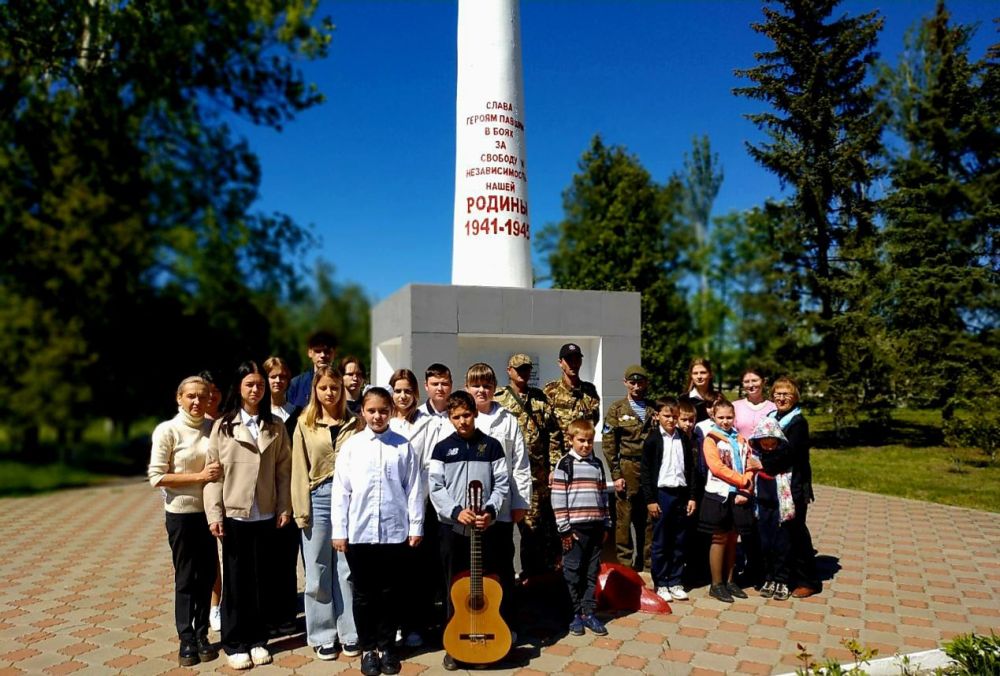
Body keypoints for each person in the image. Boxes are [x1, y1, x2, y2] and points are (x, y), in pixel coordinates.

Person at [204, 361, 293, 670]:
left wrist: (284, 506)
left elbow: (284, 471)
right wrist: (214, 513)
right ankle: (234, 641)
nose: (256, 390)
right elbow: (213, 474)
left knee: (262, 580)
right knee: (237, 581)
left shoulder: (276, 426)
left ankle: (257, 639)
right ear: (239, 388)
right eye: (249, 385)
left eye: (259, 385)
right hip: (235, 514)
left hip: (266, 513)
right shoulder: (224, 425)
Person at [332, 388, 424, 676]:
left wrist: (416, 526)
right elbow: (341, 492)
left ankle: (386, 647)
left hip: (393, 532)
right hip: (360, 532)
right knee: (363, 593)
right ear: (362, 411)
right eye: (371, 410)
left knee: (389, 592)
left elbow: (414, 490)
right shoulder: (352, 446)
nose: (377, 416)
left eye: (383, 410)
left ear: (391, 412)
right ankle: (368, 647)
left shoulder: (403, 446)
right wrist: (340, 530)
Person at [428, 391, 509, 672]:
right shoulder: (441, 449)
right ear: (449, 418)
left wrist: (490, 510)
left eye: (466, 415)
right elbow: (435, 487)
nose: (462, 421)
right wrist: (454, 512)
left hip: (484, 529)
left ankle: (489, 637)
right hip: (452, 530)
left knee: (487, 587)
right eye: (456, 417)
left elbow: (502, 484)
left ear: (474, 413)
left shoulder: (492, 446)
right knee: (454, 588)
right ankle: (453, 645)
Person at [148, 376, 221, 666]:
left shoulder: (213, 428)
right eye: (190, 396)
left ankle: (202, 633)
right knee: (186, 577)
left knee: (206, 575)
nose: (196, 402)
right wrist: (199, 477)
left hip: (208, 514)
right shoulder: (168, 430)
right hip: (180, 514)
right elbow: (156, 477)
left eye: (202, 397)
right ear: (179, 398)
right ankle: (186, 638)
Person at [290, 365, 361, 661]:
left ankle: (350, 632)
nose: (329, 393)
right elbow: (298, 469)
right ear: (315, 391)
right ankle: (322, 633)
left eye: (334, 387)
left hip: (349, 500)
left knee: (345, 569)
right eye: (323, 388)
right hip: (317, 497)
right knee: (318, 569)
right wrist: (300, 511)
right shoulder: (304, 424)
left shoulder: (355, 422)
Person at [465, 362, 531, 633]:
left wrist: (520, 502)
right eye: (476, 385)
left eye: (487, 385)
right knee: (471, 573)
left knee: (502, 568)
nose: (481, 390)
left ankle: (504, 623)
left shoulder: (508, 420)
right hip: (468, 513)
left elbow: (520, 465)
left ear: (495, 388)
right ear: (467, 387)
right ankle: (469, 624)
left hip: (501, 510)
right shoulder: (461, 418)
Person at [494, 353, 560, 578]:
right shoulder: (498, 399)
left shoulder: (540, 399)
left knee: (533, 531)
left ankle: (531, 576)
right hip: (505, 474)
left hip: (535, 477)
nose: (523, 373)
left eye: (526, 369)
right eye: (519, 369)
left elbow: (554, 435)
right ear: (509, 370)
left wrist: (553, 467)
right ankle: (503, 577)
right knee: (501, 531)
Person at [404, 363, 455, 646]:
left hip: (448, 504)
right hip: (421, 503)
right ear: (426, 386)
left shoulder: (457, 415)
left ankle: (449, 624)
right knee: (419, 569)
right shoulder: (416, 417)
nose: (440, 388)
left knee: (446, 566)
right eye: (435, 383)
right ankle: (416, 626)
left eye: (445, 383)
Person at [551, 419, 611, 637]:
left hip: (595, 526)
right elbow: (558, 499)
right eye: (581, 440)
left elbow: (603, 495)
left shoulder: (597, 465)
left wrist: (606, 523)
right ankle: (573, 613)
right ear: (571, 440)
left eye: (589, 441)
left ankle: (588, 612)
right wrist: (564, 529)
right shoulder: (565, 464)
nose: (586, 445)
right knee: (573, 572)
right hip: (574, 530)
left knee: (591, 572)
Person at [698, 398, 758, 604]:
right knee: (719, 538)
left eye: (729, 417)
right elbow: (716, 467)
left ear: (735, 417)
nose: (725, 421)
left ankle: (731, 580)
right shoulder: (711, 439)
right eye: (721, 417)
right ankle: (716, 584)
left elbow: (751, 461)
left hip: (739, 495)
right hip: (718, 495)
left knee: (733, 537)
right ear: (713, 417)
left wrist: (748, 479)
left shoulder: (741, 439)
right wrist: (742, 480)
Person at [640, 398, 699, 602]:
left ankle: (675, 580)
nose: (671, 420)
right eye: (666, 416)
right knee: (661, 540)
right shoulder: (653, 440)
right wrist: (650, 499)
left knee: (679, 539)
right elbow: (646, 472)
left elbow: (691, 469)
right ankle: (661, 582)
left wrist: (692, 496)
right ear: (657, 416)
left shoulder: (683, 438)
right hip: (662, 494)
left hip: (680, 493)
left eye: (674, 416)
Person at [769, 376, 821, 599]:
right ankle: (782, 576)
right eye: (777, 394)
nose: (781, 398)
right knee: (780, 533)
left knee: (796, 531)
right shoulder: (771, 417)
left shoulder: (798, 422)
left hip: (794, 484)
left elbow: (790, 453)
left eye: (786, 394)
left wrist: (762, 463)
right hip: (773, 482)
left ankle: (807, 580)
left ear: (795, 397)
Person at [602, 364, 656, 571]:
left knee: (650, 518)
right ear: (625, 383)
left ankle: (647, 563)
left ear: (646, 383)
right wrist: (616, 474)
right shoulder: (617, 409)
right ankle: (625, 565)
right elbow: (609, 444)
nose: (636, 386)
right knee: (625, 519)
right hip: (627, 466)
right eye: (632, 382)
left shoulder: (654, 409)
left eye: (640, 382)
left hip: (649, 469)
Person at [263, 355, 300, 636]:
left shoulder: (298, 413)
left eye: (283, 376)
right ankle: (267, 615)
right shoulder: (259, 416)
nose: (278, 381)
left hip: (293, 496)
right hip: (263, 497)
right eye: (273, 376)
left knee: (288, 559)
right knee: (267, 560)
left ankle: (287, 614)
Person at [747, 417, 795, 601]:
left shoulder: (783, 457)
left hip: (780, 509)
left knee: (781, 544)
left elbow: (782, 461)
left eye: (771, 443)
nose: (768, 447)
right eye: (764, 443)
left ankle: (782, 580)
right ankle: (769, 577)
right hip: (762, 507)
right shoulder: (755, 458)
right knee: (765, 544)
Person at [544, 343, 601, 469]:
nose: (574, 364)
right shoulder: (551, 391)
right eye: (569, 360)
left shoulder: (589, 390)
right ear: (560, 363)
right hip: (560, 457)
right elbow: (549, 431)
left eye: (577, 359)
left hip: (585, 457)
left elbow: (592, 422)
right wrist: (554, 465)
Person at [197, 369, 224, 631]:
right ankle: (212, 606)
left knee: (227, 556)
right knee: (206, 559)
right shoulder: (191, 425)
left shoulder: (227, 422)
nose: (211, 396)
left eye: (215, 391)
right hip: (195, 502)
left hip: (225, 499)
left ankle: (222, 604)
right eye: (206, 392)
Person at [287, 330, 337, 408]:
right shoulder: (296, 384)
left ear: (334, 353)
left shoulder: (341, 383)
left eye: (327, 351)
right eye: (318, 351)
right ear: (310, 353)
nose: (322, 355)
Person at [733, 367, 777, 439]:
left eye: (754, 380)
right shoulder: (734, 406)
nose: (751, 385)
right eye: (746, 382)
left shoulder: (774, 408)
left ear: (763, 382)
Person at [388, 368, 427, 439]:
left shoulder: (426, 422)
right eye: (398, 391)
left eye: (407, 391)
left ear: (414, 393)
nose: (403, 396)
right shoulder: (384, 421)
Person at [679, 358, 718, 423]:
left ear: (710, 374)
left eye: (703, 372)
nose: (699, 376)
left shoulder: (718, 398)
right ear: (691, 376)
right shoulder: (683, 399)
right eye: (695, 373)